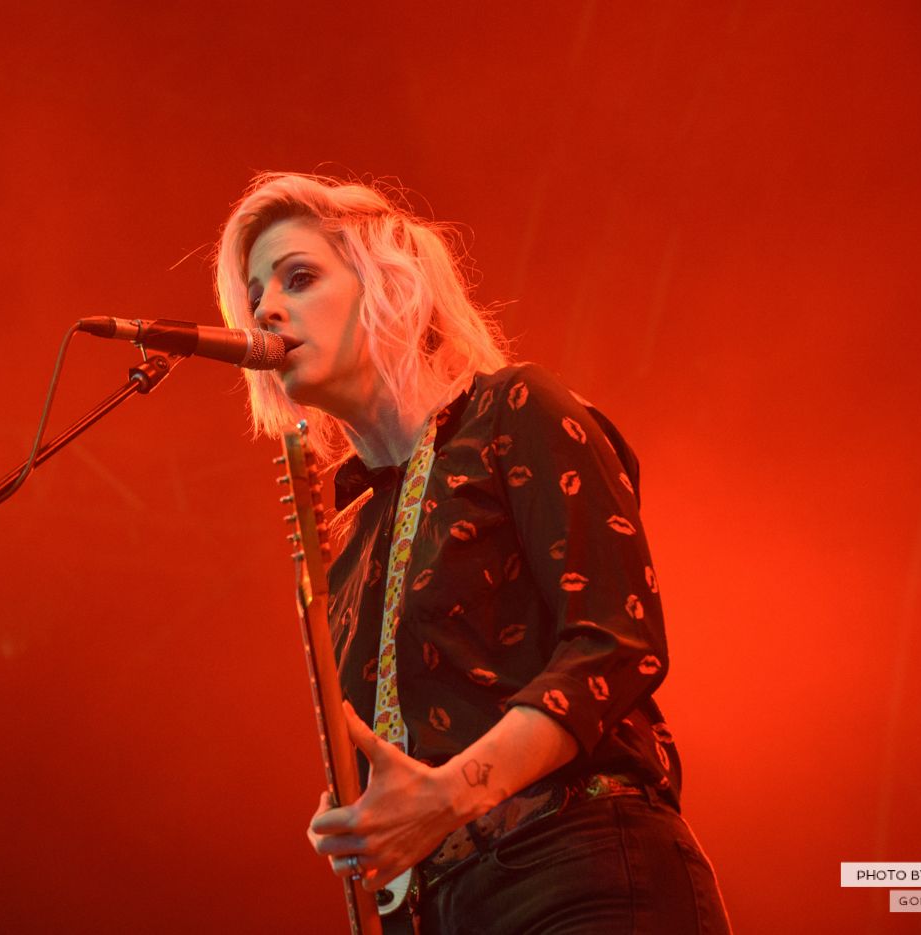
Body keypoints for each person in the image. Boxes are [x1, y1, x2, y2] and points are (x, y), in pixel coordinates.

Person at [215, 172, 731, 934]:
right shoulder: (349, 538)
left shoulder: (513, 410)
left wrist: (452, 791)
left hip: (578, 866)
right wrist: (363, 815)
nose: (265, 309)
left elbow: (617, 644)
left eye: (299, 276)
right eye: (254, 293)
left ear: (386, 285)